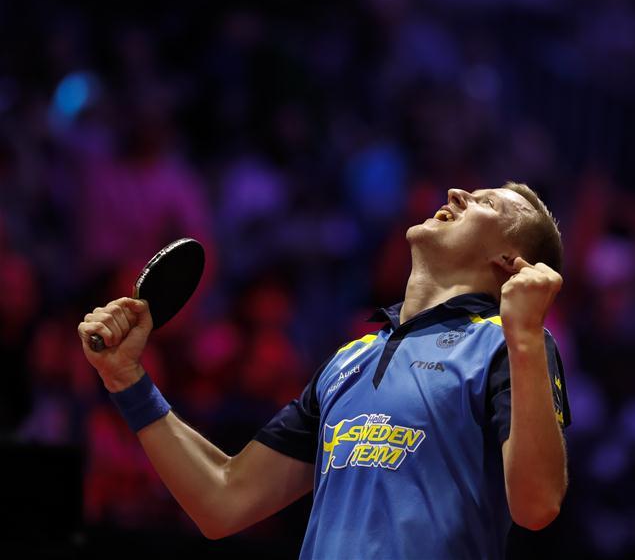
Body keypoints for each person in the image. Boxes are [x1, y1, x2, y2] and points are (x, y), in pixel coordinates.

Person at [77, 182, 571, 559]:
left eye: (488, 204)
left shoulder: (505, 345)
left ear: (510, 261)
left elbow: (537, 505)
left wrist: (525, 335)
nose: (456, 192)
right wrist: (127, 380)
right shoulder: (347, 361)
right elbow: (222, 500)